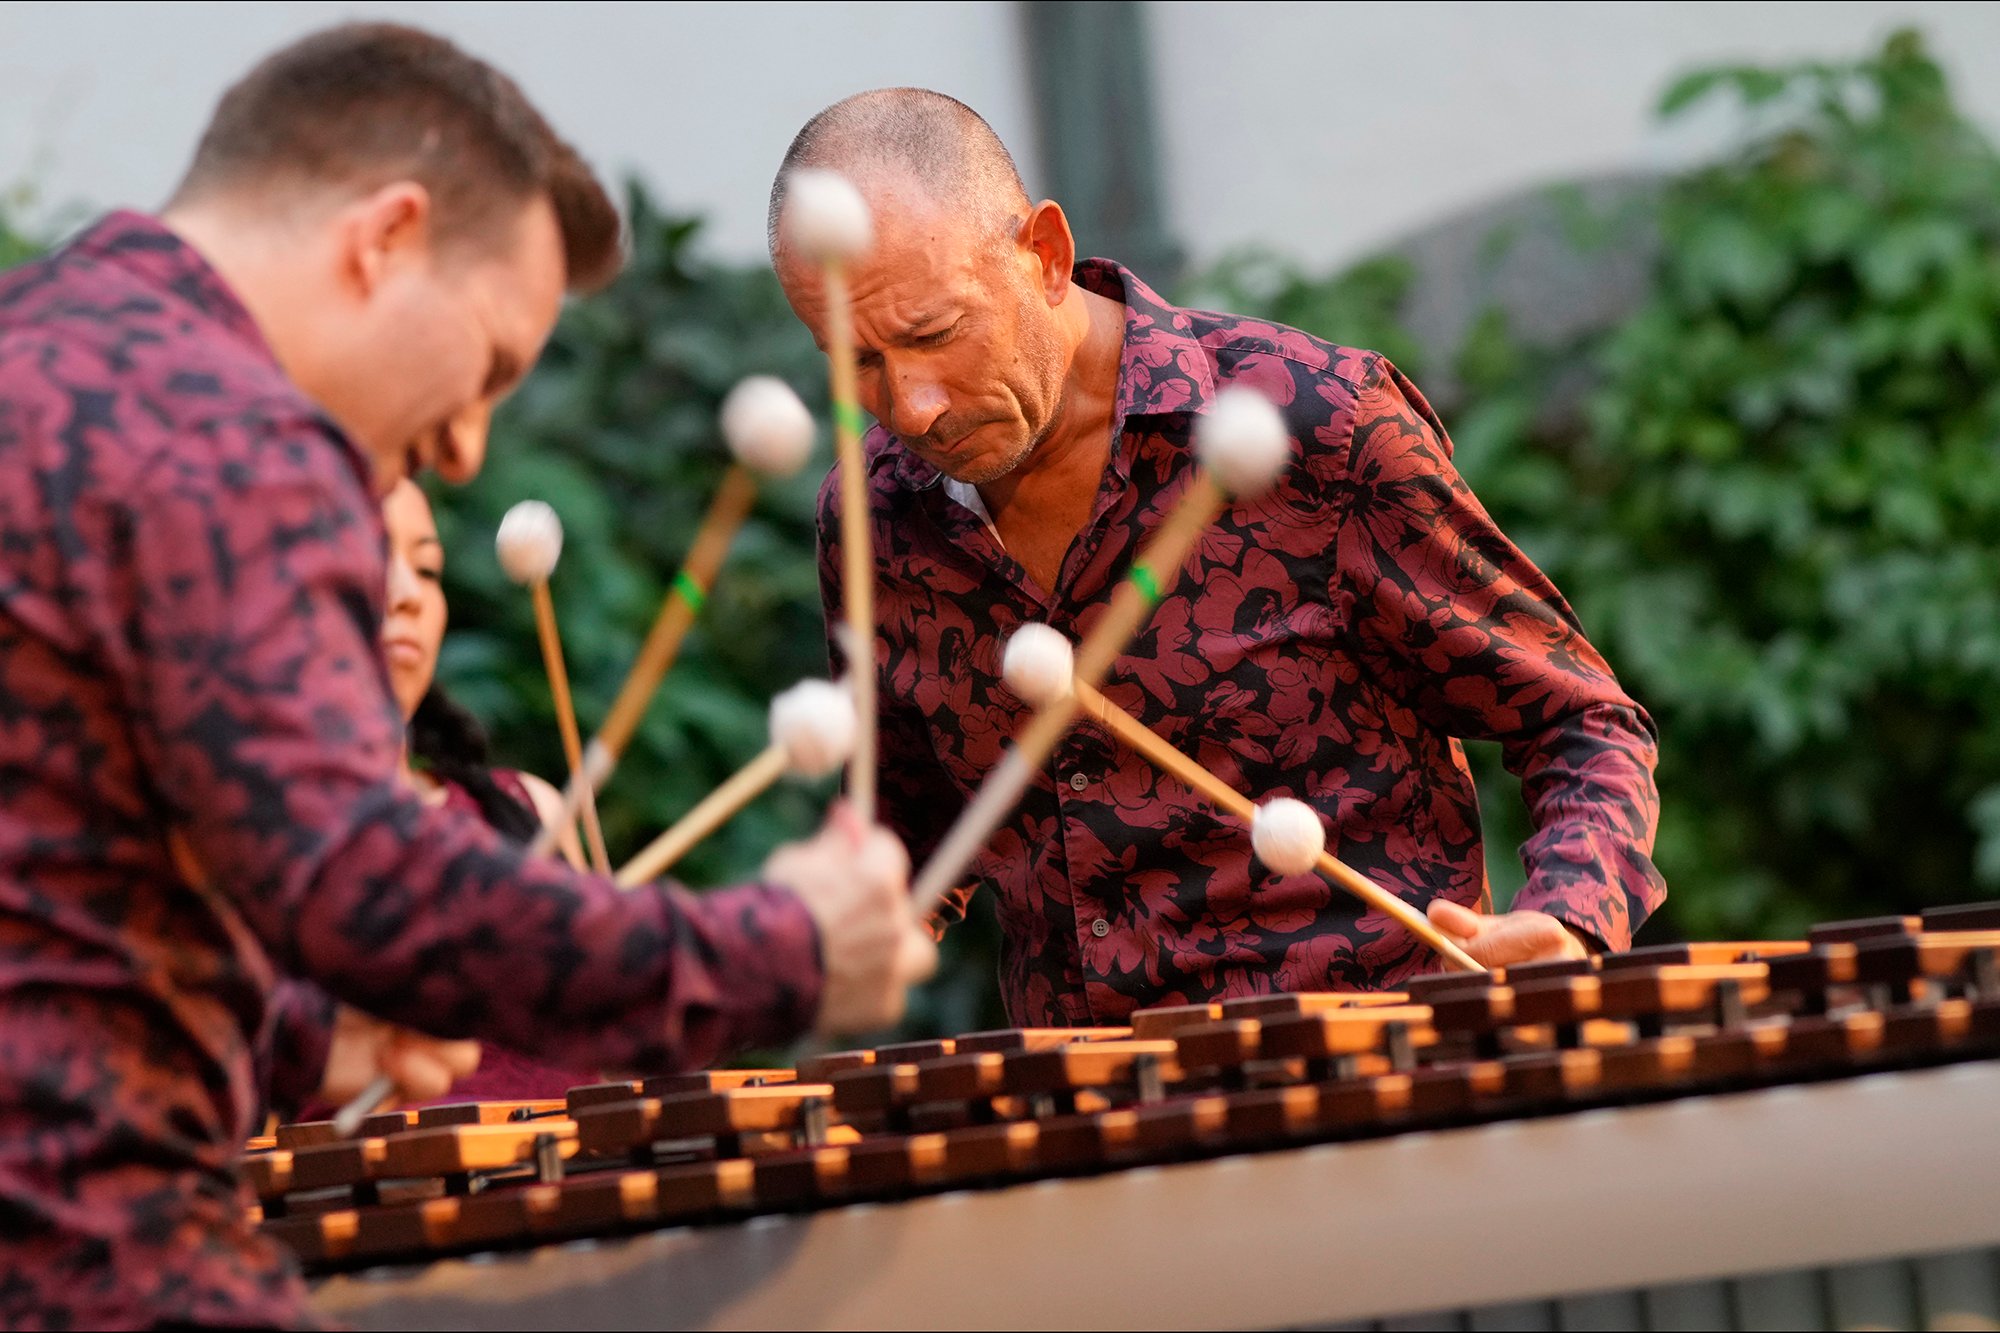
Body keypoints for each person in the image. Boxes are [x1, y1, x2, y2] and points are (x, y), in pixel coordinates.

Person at [0, 25, 932, 1330]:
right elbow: (367, 886)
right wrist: (783, 946)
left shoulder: (41, 357)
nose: (463, 447)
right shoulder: (231, 429)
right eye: (489, 364)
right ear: (386, 238)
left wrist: (299, 1038)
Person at [768, 89, 1664, 1029]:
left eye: (935, 333)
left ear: (1045, 255)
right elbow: (907, 836)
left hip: (1379, 1071)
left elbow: (1579, 720)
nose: (912, 406)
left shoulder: (1317, 428)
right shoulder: (875, 521)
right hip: (1088, 1101)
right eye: (856, 361)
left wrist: (1569, 916)